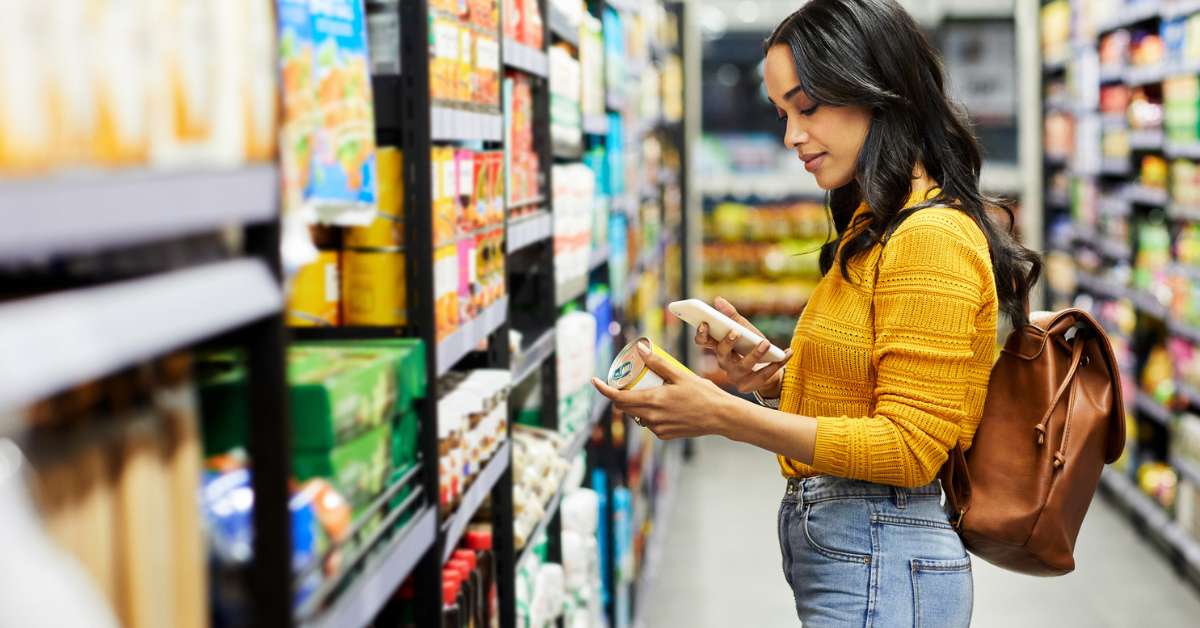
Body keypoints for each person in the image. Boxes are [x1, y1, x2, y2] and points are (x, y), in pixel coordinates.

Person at [592, 0, 1042, 625]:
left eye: (808, 107)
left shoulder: (930, 237)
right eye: (782, 114)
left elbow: (909, 448)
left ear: (876, 91)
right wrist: (776, 376)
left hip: (886, 550)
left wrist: (726, 416)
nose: (792, 136)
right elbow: (873, 393)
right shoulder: (877, 223)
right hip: (863, 550)